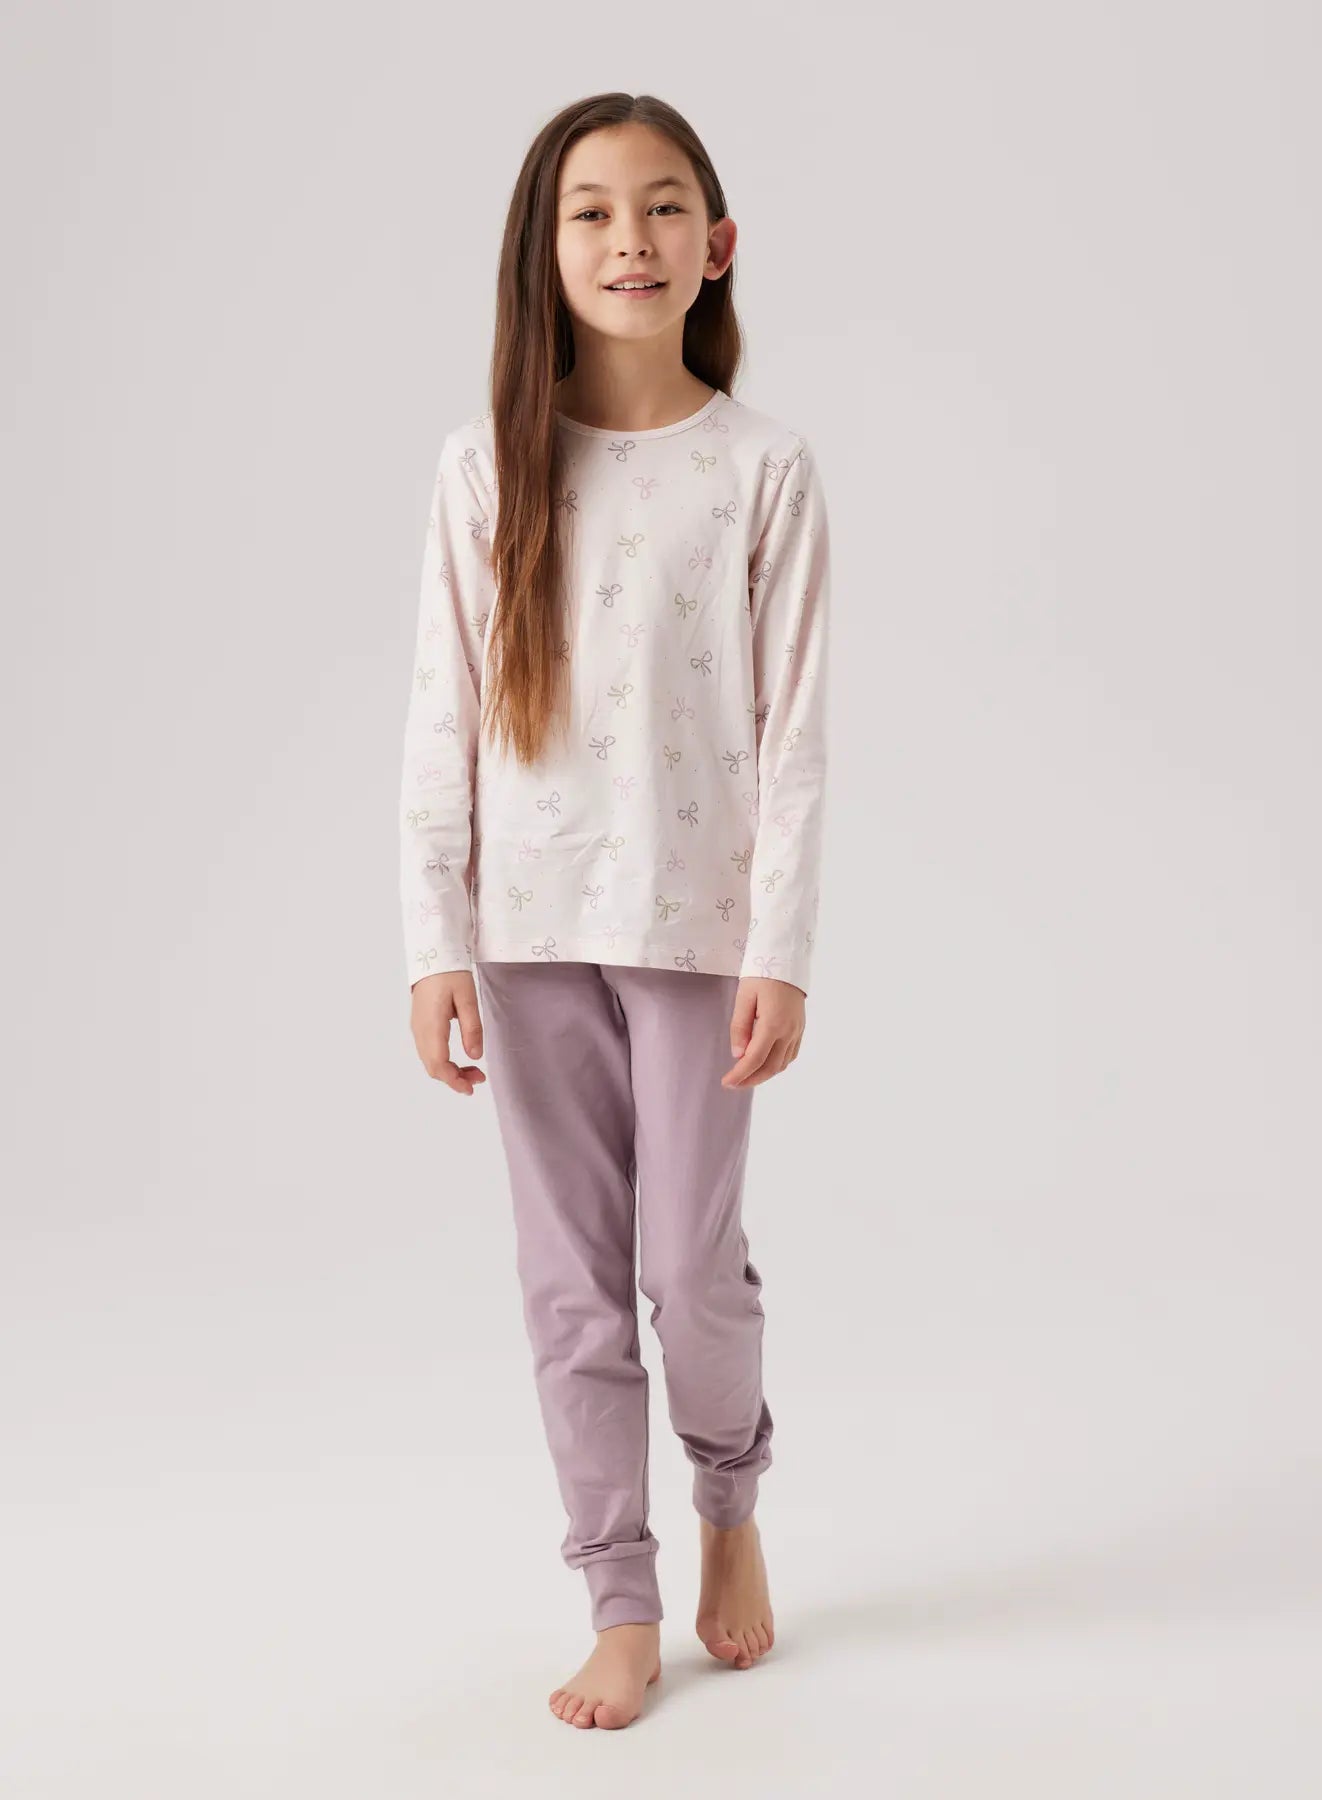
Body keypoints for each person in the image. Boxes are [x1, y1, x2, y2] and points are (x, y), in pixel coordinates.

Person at [398, 92, 831, 1730]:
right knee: (568, 1284)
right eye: (588, 210)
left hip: (695, 930)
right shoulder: (483, 466)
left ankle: (730, 1503)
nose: (627, 239)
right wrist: (433, 941)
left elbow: (795, 736)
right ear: (544, 249)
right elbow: (439, 718)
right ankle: (617, 1596)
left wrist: (779, 951)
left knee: (687, 1269)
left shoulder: (762, 469)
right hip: (524, 934)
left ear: (715, 245)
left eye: (659, 208)